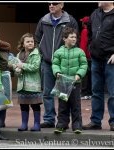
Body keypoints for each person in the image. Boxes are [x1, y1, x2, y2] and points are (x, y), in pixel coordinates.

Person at [35, 2, 79, 128]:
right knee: (47, 93)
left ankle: (63, 121)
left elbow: (75, 40)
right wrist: (42, 54)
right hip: (47, 63)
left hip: (64, 63)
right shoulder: (43, 20)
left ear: (62, 5)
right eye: (49, 3)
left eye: (54, 3)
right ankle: (49, 119)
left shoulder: (70, 20)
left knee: (64, 94)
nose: (51, 5)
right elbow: (37, 39)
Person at [83, 2, 114, 131]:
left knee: (113, 93)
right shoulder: (95, 13)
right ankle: (95, 121)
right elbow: (89, 32)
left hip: (110, 60)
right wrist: (90, 48)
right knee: (96, 92)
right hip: (96, 59)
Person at [52, 27, 87, 134]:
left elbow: (84, 65)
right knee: (63, 105)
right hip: (63, 83)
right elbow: (55, 64)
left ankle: (77, 125)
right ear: (64, 38)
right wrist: (57, 72)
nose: (74, 39)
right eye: (71, 37)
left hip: (75, 83)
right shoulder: (58, 52)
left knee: (75, 105)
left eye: (75, 37)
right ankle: (62, 124)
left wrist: (79, 74)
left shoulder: (80, 51)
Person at [14, 33, 42, 131]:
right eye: (28, 41)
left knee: (35, 105)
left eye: (32, 41)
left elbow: (35, 67)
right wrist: (17, 70)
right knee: (23, 105)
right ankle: (24, 124)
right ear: (23, 43)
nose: (30, 43)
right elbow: (16, 66)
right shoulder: (19, 54)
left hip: (33, 85)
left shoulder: (36, 53)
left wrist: (22, 66)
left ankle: (37, 124)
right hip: (22, 85)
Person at [79, 16, 92, 100]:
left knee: (84, 76)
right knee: (90, 75)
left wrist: (81, 55)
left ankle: (84, 93)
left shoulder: (84, 31)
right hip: (92, 57)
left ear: (84, 23)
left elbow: (83, 44)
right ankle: (90, 93)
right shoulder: (92, 30)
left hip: (86, 57)